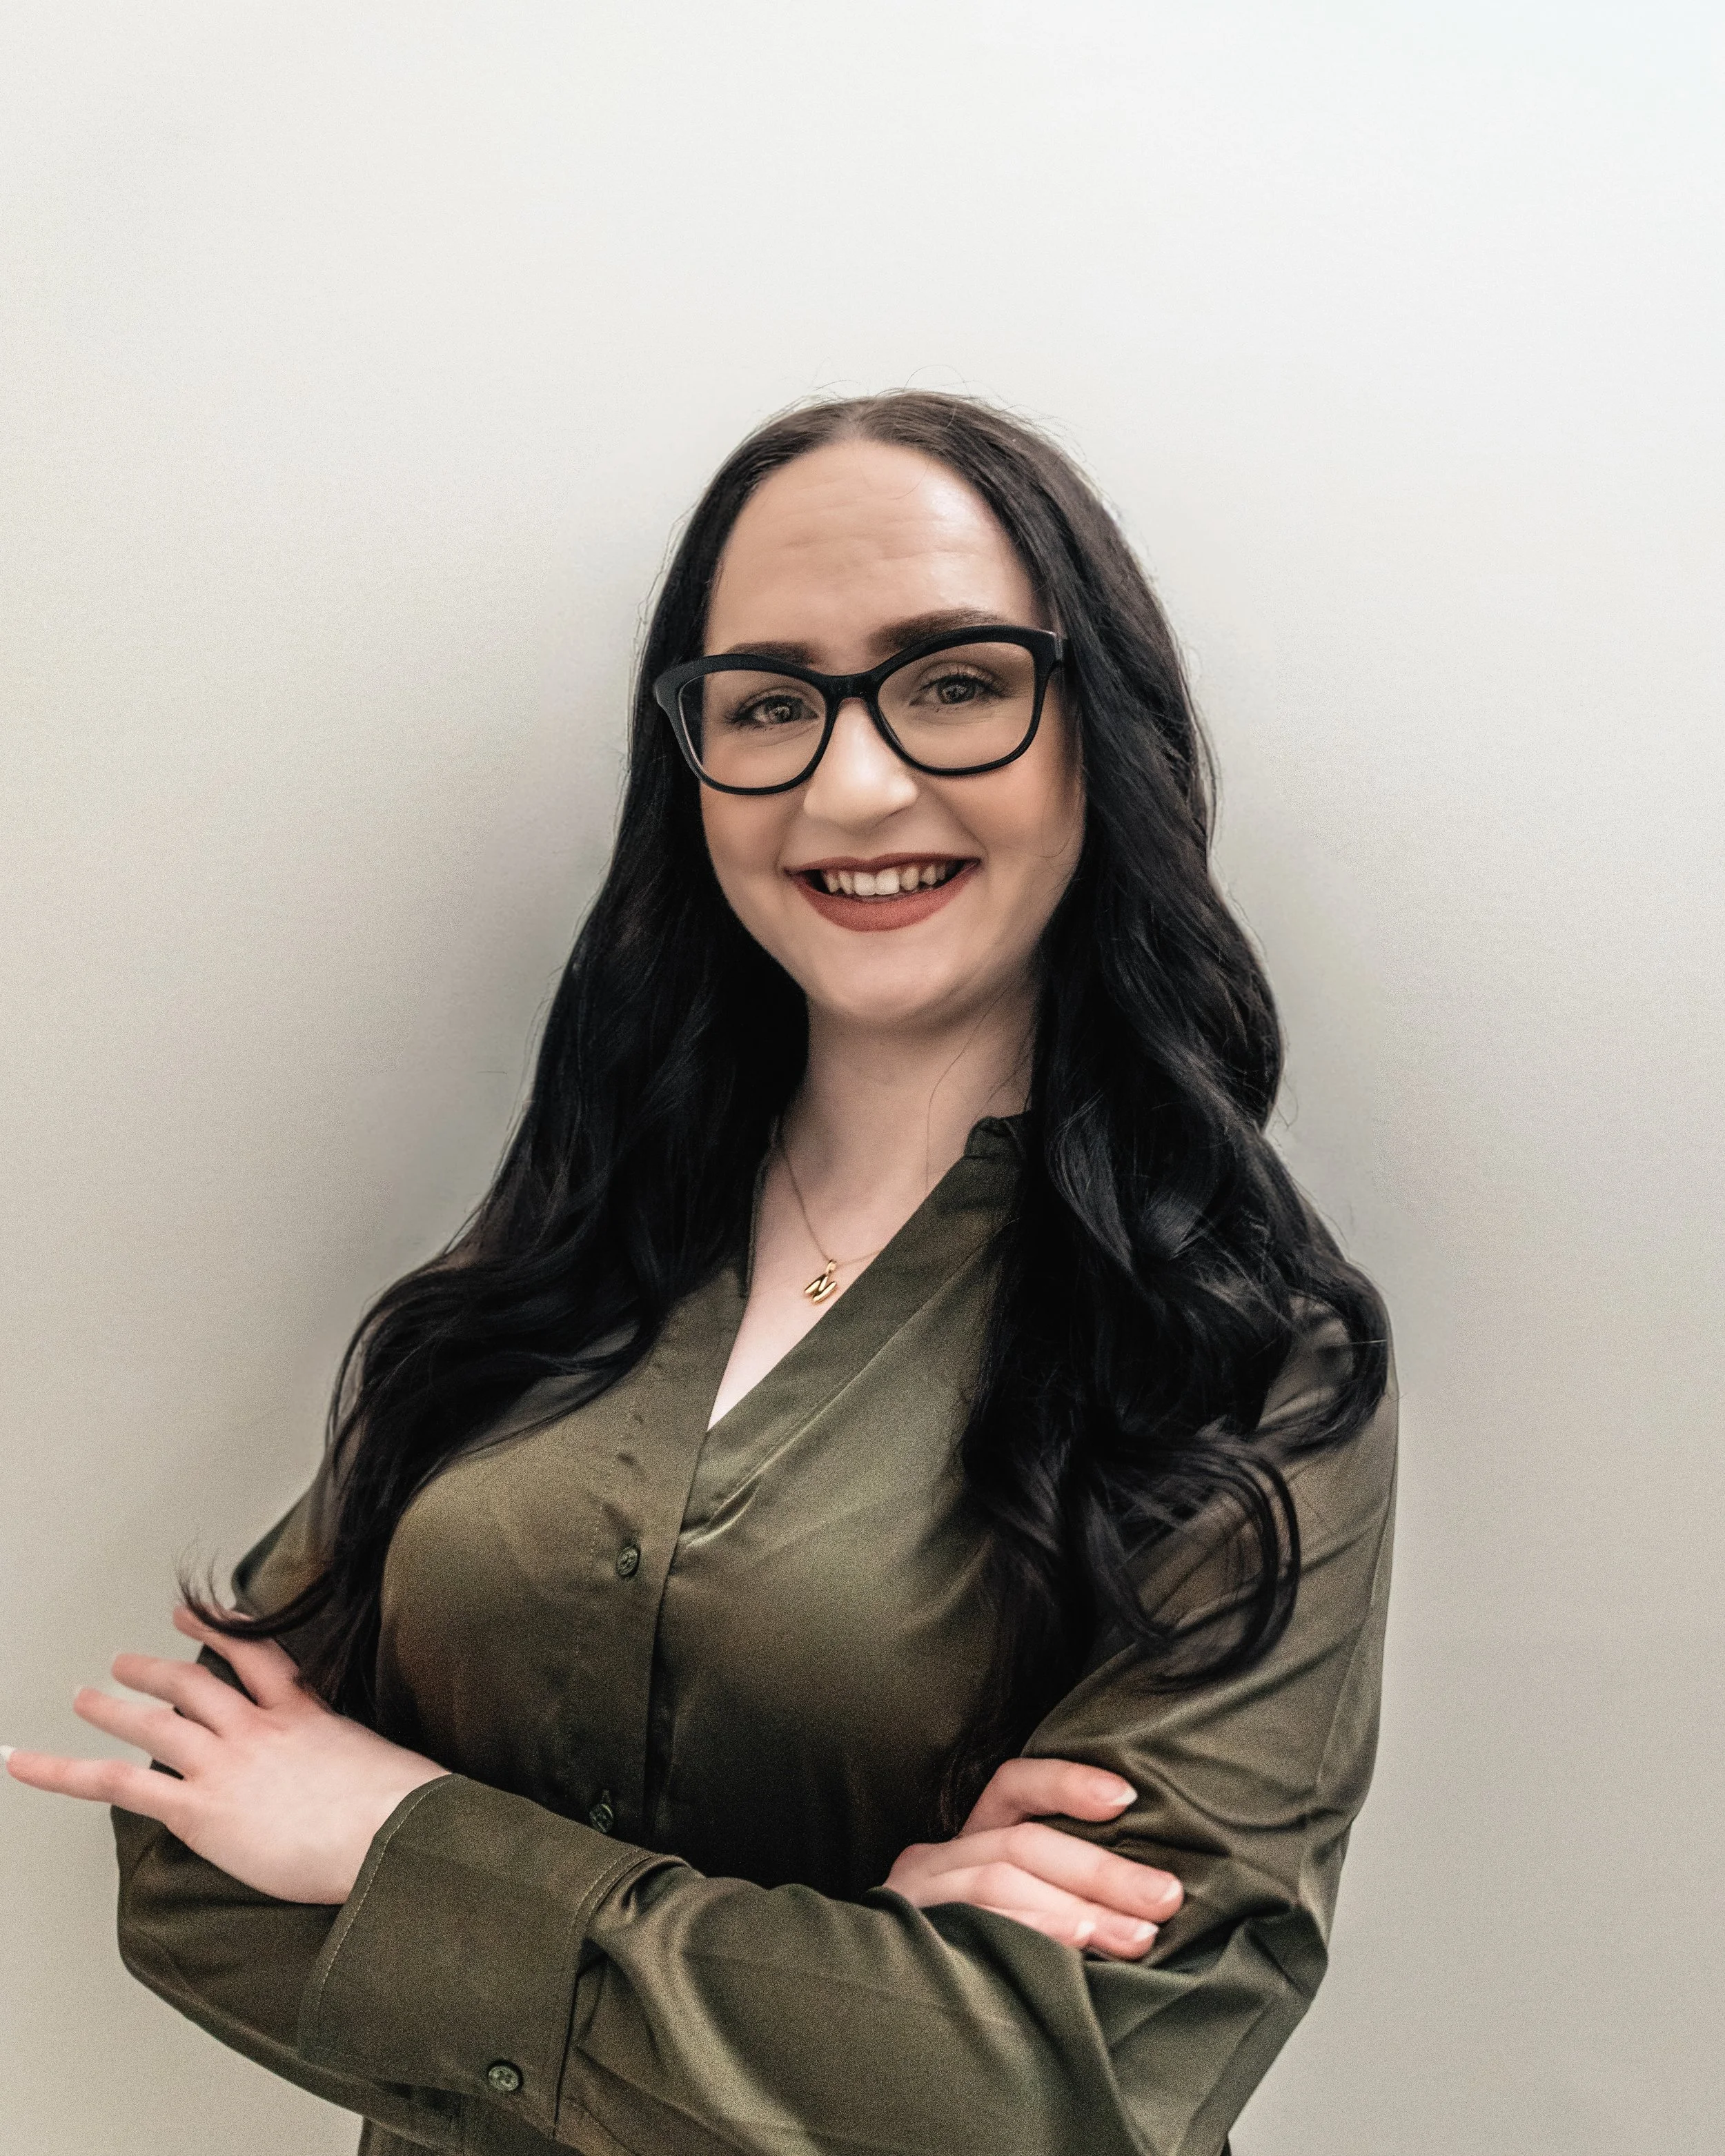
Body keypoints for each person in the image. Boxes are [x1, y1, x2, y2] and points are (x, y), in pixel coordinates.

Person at [6, 390, 1396, 2156]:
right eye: (766, 704)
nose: (851, 783)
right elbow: (191, 1865)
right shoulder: (555, 1257)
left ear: (1092, 730)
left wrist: (391, 1837)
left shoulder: (1244, 1357)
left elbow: (1066, 2089)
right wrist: (861, 1982)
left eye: (953, 681)